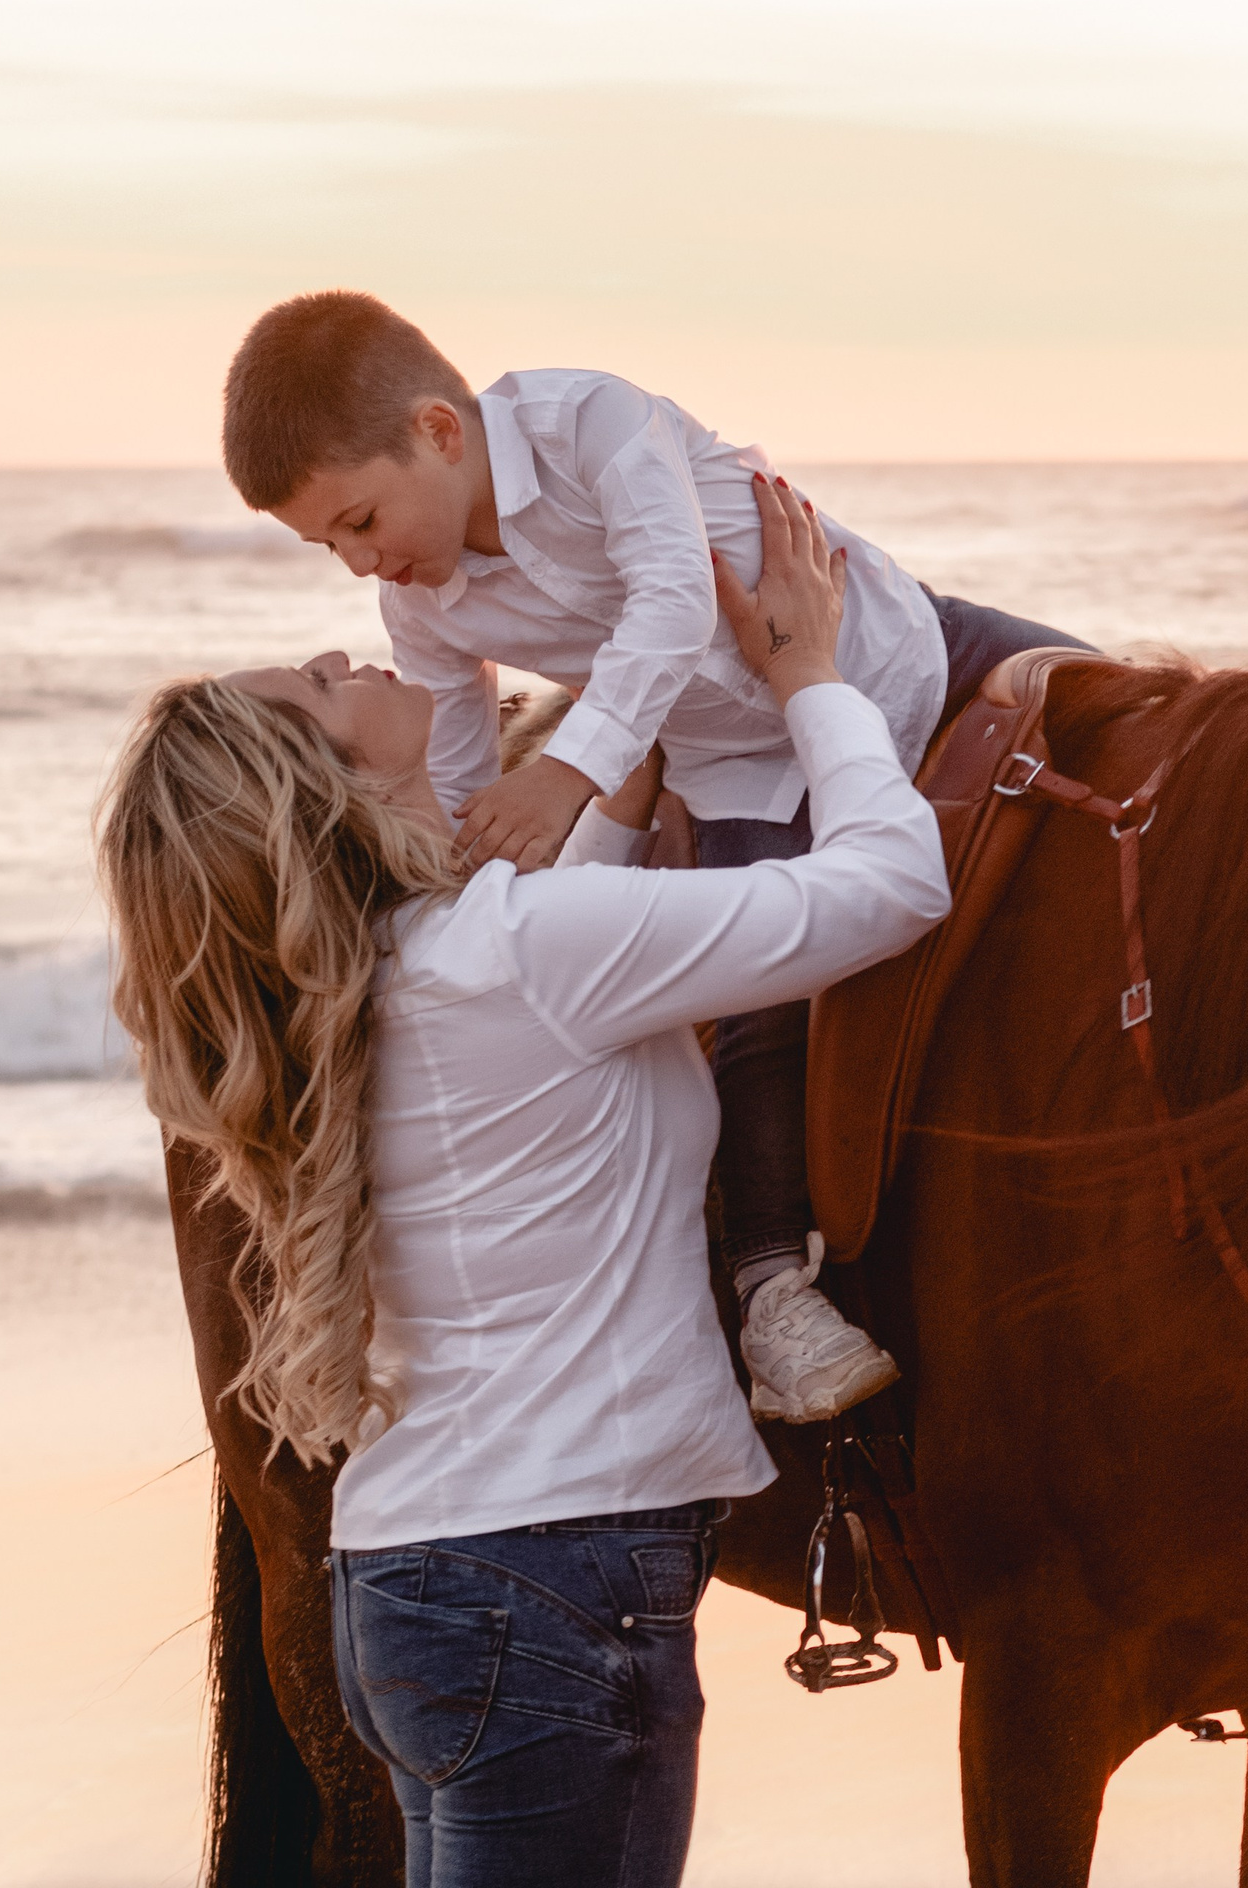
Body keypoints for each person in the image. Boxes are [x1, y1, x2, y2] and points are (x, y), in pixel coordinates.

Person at [97, 483, 949, 1886]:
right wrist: (810, 677)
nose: (346, 655)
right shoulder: (521, 957)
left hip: (414, 1591)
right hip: (553, 1601)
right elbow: (888, 886)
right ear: (329, 786)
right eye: (321, 691)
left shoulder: (370, 986)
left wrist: (633, 704)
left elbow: (566, 927)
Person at [219, 290, 1086, 1420]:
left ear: (439, 431)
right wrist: (483, 897)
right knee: (765, 1007)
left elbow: (675, 605)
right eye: (328, 543)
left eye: (360, 520)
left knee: (1135, 712)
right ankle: (773, 1288)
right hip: (742, 761)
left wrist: (570, 770)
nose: (356, 564)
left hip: (887, 647)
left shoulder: (592, 425)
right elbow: (455, 773)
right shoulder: (427, 609)